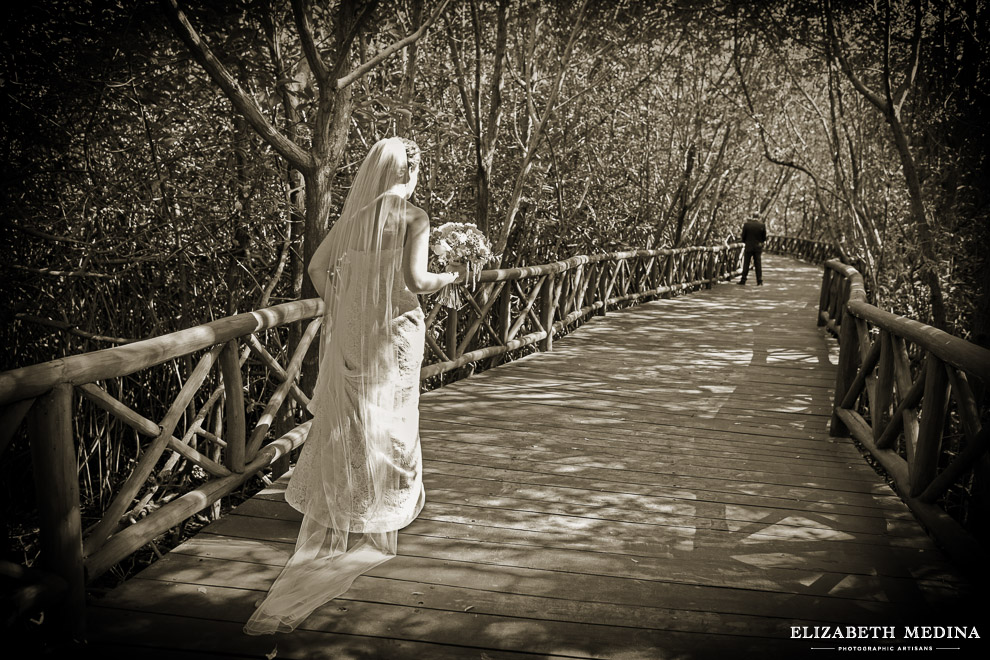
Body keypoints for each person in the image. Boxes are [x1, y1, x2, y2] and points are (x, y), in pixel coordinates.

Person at [244, 137, 466, 635]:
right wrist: (450, 275)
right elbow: (415, 280)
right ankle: (385, 504)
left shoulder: (356, 217)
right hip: (396, 332)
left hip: (352, 330)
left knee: (353, 411)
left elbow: (317, 268)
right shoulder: (415, 218)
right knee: (395, 414)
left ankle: (349, 498)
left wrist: (345, 300)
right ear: (407, 172)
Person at [738, 214, 767, 285]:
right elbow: (764, 238)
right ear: (759, 217)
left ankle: (743, 280)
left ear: (752, 216)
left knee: (746, 263)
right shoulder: (762, 225)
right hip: (758, 247)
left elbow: (743, 236)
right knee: (758, 264)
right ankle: (759, 280)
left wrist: (746, 242)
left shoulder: (746, 225)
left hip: (749, 246)